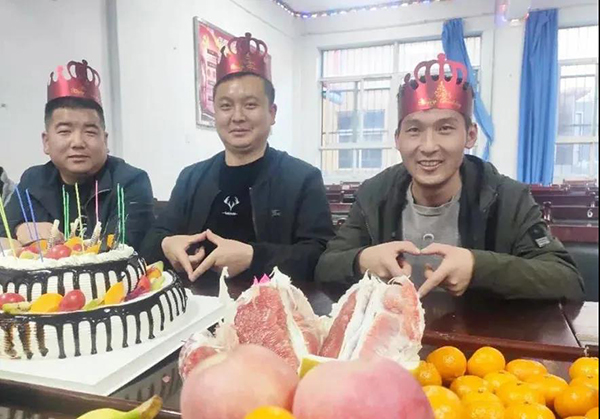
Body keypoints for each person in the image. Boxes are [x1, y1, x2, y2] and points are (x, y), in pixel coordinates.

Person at [315, 54, 584, 301]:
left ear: (470, 135)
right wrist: (361, 260)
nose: (428, 146)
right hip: (391, 332)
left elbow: (567, 280)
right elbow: (326, 266)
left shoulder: (508, 198)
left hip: (479, 336)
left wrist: (478, 267)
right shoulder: (375, 195)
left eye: (445, 129)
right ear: (397, 139)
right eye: (414, 130)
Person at [140, 32, 333, 283]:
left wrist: (254, 257)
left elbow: (321, 256)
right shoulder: (191, 178)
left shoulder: (302, 178)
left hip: (272, 301)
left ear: (272, 113)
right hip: (197, 301)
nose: (237, 116)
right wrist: (166, 244)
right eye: (226, 106)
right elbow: (150, 242)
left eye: (250, 105)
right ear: (215, 113)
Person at [0, 59, 154, 251]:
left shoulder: (130, 182)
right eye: (65, 131)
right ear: (46, 142)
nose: (78, 142)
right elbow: (3, 237)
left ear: (105, 141)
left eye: (90, 132)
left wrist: (44, 247)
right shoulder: (34, 180)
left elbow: (118, 249)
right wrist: (20, 228)